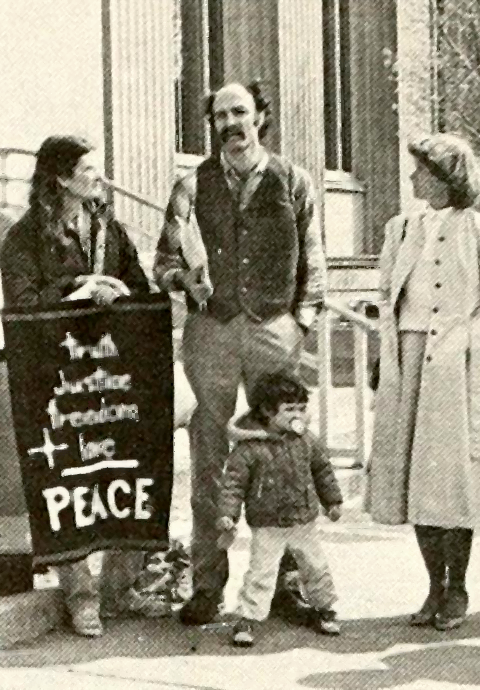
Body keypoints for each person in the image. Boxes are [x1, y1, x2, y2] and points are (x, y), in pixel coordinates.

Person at [154, 81, 327, 627]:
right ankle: (207, 585)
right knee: (209, 462)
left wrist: (300, 322)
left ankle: (285, 585)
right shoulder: (189, 186)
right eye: (221, 115)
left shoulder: (294, 181)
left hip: (274, 330)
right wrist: (186, 279)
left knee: (284, 458)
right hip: (212, 333)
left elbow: (315, 263)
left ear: (260, 118)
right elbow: (161, 265)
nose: (231, 123)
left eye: (240, 112)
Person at [0, 134, 171, 637]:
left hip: (112, 376)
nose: (100, 177)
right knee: (68, 478)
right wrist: (79, 289)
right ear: (62, 178)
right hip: (58, 383)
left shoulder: (107, 229)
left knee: (127, 468)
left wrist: (118, 289)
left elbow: (137, 286)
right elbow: (22, 303)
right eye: (89, 170)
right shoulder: (25, 238)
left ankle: (121, 587)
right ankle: (81, 596)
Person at [366, 133, 480, 632]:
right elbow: (388, 297)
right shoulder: (401, 228)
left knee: (452, 478)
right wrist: (387, 357)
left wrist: (465, 342)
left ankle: (458, 586)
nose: (412, 179)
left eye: (421, 171)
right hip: (408, 361)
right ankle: (433, 584)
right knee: (416, 478)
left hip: (454, 365)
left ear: (447, 176)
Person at [217, 373, 344, 647]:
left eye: (300, 408)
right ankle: (248, 618)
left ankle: (326, 609)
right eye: (289, 409)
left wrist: (332, 501)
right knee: (261, 571)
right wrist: (228, 514)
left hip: (303, 519)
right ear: (267, 411)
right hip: (268, 522)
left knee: (315, 566)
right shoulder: (249, 448)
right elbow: (233, 483)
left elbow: (322, 471)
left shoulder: (306, 440)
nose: (297, 414)